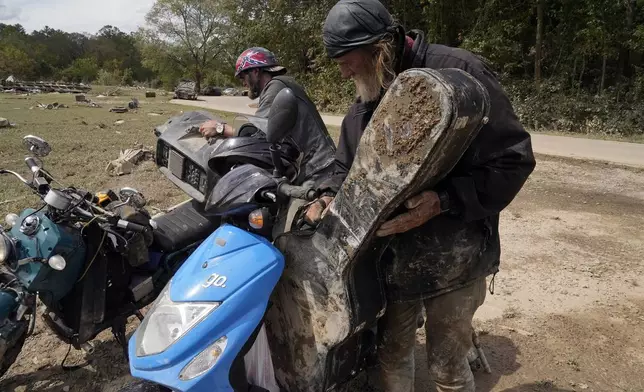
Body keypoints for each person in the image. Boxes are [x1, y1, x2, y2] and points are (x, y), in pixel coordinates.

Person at [306, 1, 537, 391]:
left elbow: (513, 160)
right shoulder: (367, 98)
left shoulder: (459, 73)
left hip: (454, 257)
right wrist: (327, 193)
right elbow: (344, 167)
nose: (343, 72)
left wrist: (443, 200)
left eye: (347, 60)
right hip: (392, 264)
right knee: (391, 357)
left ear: (380, 48)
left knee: (447, 368)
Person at [199, 47, 337, 185]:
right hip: (313, 166)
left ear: (255, 71)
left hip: (318, 171)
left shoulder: (276, 86)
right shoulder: (280, 84)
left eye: (243, 76)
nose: (243, 83)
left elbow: (256, 134)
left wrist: (219, 128)